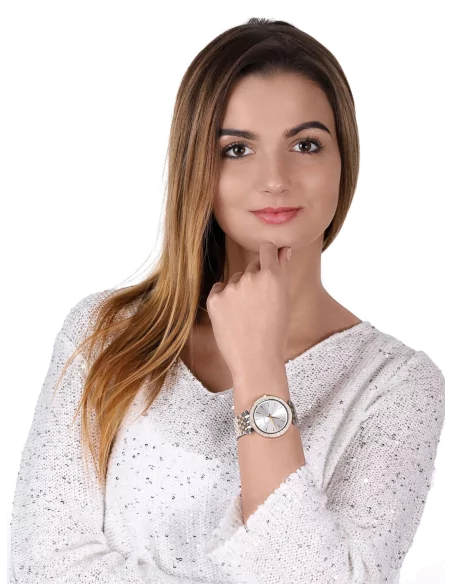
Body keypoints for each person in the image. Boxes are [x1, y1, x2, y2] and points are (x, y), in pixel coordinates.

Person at [9, 17, 445, 584]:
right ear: (198, 167)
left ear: (345, 160)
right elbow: (45, 568)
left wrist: (260, 372)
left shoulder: (397, 386)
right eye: (237, 149)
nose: (275, 178)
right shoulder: (104, 335)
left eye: (306, 144)